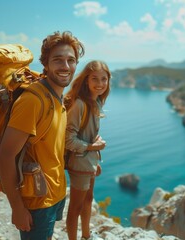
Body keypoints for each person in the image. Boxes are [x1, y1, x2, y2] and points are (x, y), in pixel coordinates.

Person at [0, 31, 85, 240]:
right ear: (45, 64)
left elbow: (50, 147)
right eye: (57, 60)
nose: (65, 66)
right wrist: (17, 208)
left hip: (54, 192)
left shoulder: (56, 97)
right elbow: (5, 155)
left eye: (70, 60)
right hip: (36, 202)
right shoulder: (33, 101)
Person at [64, 60, 111, 240]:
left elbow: (89, 135)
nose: (100, 84)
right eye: (95, 79)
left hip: (89, 160)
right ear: (86, 80)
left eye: (104, 79)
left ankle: (86, 235)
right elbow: (68, 140)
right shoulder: (80, 105)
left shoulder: (95, 101)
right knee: (75, 207)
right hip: (79, 161)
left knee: (89, 199)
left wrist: (95, 158)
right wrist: (93, 147)